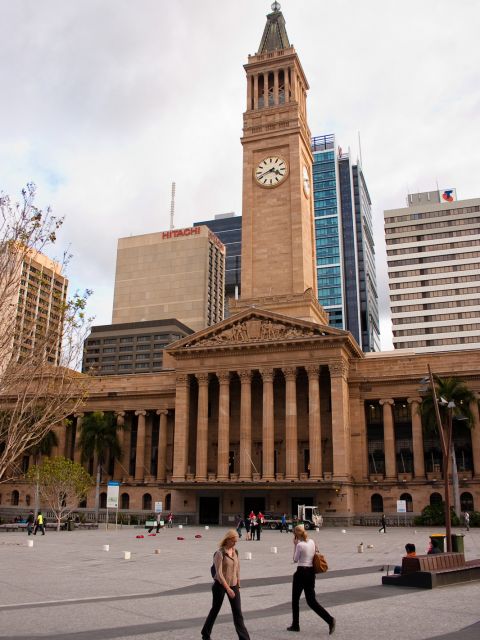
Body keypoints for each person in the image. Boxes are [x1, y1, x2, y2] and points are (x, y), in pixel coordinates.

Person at [201, 529, 250, 640]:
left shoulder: (235, 551)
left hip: (233, 585)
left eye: (236, 541)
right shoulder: (219, 553)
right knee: (215, 609)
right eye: (233, 541)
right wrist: (228, 589)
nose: (235, 543)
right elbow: (219, 574)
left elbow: (237, 568)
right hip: (220, 585)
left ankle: (245, 638)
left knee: (238, 613)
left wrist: (238, 585)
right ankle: (205, 633)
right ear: (228, 540)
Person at [288, 525, 335, 634]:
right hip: (311, 573)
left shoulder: (299, 545)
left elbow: (295, 559)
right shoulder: (312, 542)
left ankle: (296, 625)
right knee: (311, 601)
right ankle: (330, 619)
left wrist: (295, 545)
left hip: (301, 572)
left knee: (295, 600)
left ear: (296, 534)